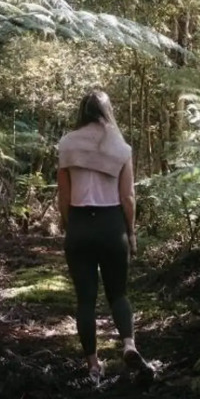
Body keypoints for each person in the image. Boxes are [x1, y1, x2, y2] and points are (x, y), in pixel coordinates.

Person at [56, 89, 148, 381]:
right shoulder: (121, 147)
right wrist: (130, 232)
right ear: (108, 110)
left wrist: (73, 226)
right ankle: (129, 345)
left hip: (81, 223)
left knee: (85, 299)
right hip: (112, 225)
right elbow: (128, 198)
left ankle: (93, 365)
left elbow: (64, 195)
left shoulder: (67, 143)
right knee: (118, 293)